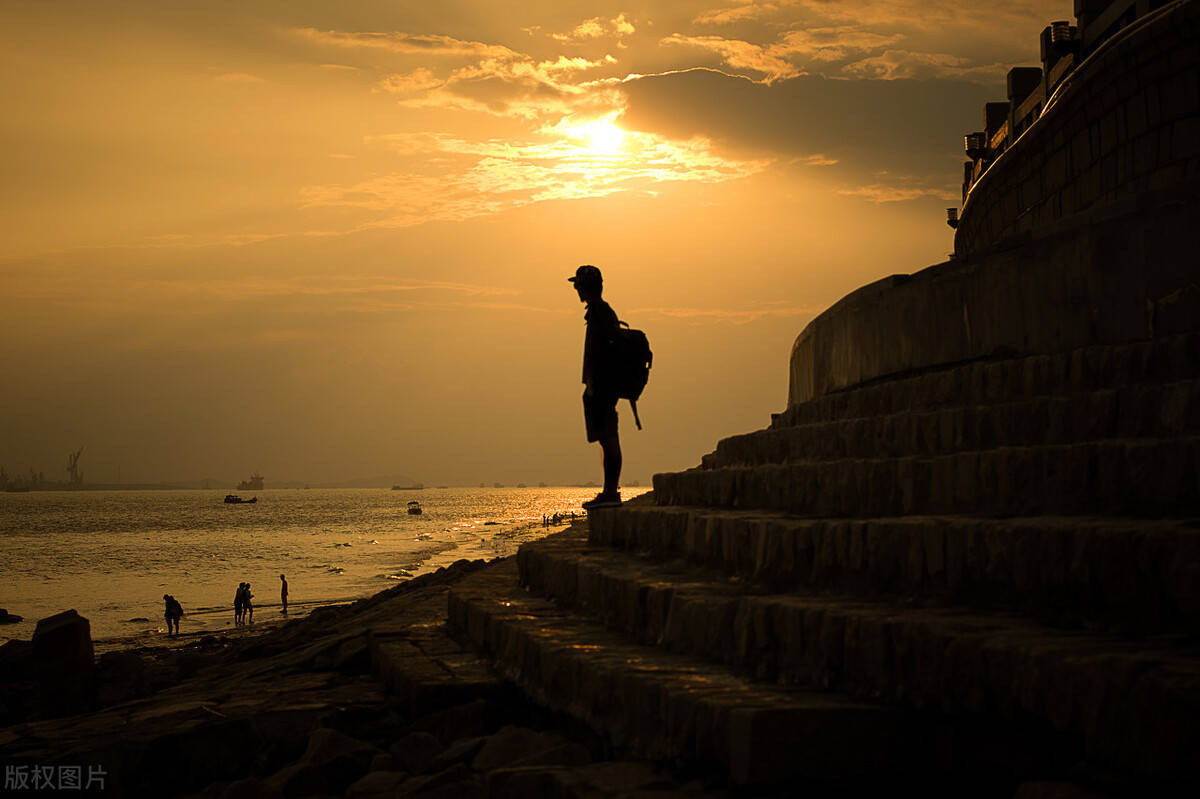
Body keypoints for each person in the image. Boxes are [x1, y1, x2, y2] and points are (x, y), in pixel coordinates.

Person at [569, 264, 623, 509]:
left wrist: (592, 383)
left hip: (602, 386)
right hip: (604, 385)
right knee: (606, 437)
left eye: (578, 285)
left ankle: (610, 492)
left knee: (608, 437)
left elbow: (599, 352)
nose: (576, 290)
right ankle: (609, 491)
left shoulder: (599, 313)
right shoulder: (601, 312)